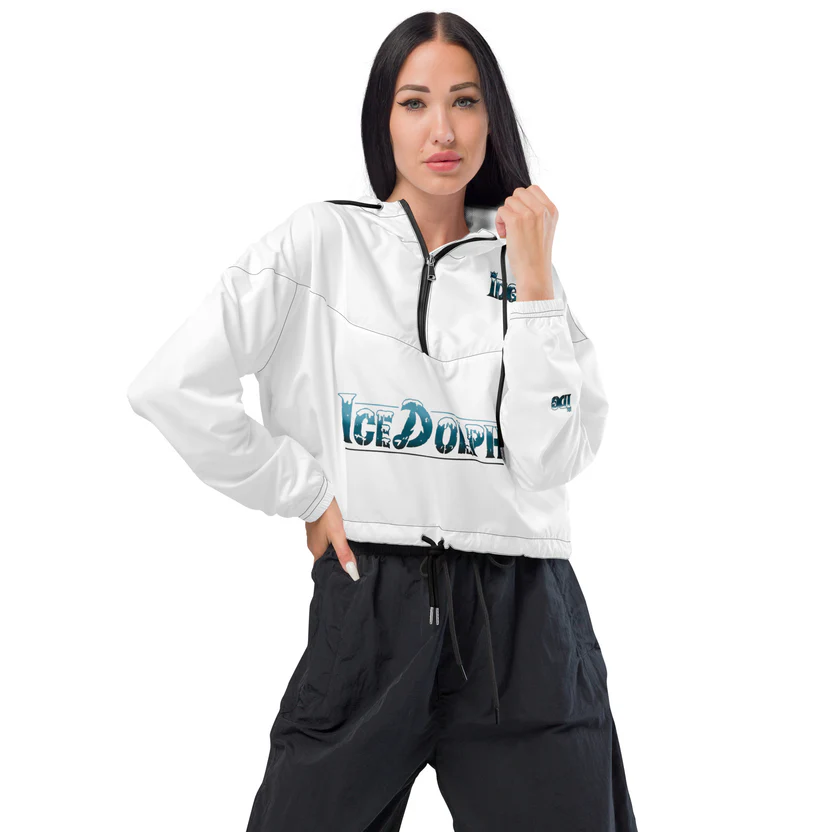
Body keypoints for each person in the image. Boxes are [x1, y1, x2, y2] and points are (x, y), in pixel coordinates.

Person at [126, 11, 638, 831]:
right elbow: (172, 386)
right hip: (373, 604)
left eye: (465, 101)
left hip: (526, 617)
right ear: (382, 119)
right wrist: (302, 491)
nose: (443, 129)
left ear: (492, 118)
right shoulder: (320, 242)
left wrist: (536, 281)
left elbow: (549, 459)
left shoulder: (526, 266)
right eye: (415, 102)